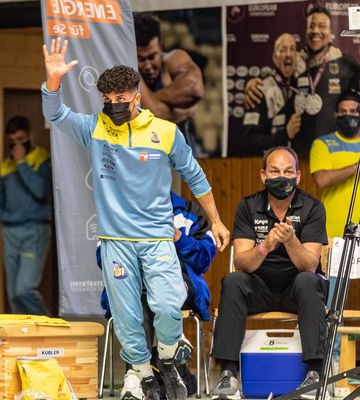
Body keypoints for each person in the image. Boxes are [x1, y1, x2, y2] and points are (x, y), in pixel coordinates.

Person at [41, 37, 229, 400]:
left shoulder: (166, 132)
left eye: (121, 98)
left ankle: (170, 355)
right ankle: (141, 374)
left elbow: (195, 177)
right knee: (127, 316)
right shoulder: (94, 127)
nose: (113, 105)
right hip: (116, 241)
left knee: (168, 305)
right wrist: (53, 80)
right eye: (107, 99)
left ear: (137, 97)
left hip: (158, 238)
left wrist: (217, 222)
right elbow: (56, 114)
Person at [211, 147, 329, 400]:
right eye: (274, 171)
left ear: (298, 176)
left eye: (288, 171)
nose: (282, 177)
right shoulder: (248, 206)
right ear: (263, 175)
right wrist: (265, 246)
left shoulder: (313, 207)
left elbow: (310, 265)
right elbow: (241, 262)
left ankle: (315, 374)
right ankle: (228, 374)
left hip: (297, 290)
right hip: (259, 287)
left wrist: (290, 240)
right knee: (233, 281)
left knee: (309, 281)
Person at [97, 191, 217, 400]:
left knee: (162, 289)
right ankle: (142, 371)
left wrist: (177, 237)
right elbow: (103, 257)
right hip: (132, 285)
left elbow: (205, 258)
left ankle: (141, 370)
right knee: (138, 294)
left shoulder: (188, 212)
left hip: (180, 282)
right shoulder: (119, 209)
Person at [245, 6, 360, 154]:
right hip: (300, 153)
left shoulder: (346, 63)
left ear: (330, 32)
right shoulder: (296, 62)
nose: (316, 30)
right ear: (306, 31)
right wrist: (253, 82)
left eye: (322, 26)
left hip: (335, 151)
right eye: (311, 26)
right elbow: (275, 76)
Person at [0, 116, 51, 315]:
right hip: (10, 233)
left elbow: (40, 192)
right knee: (13, 296)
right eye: (12, 141)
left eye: (21, 139)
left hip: (34, 231)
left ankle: (50, 327)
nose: (17, 145)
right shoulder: (6, 165)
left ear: (30, 136)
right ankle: (23, 333)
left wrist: (22, 163)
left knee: (24, 290)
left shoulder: (42, 158)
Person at [134, 13, 204, 155]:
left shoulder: (173, 59)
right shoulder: (131, 72)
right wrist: (182, 112)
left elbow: (196, 88)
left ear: (161, 47)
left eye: (152, 57)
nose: (148, 66)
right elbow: (156, 115)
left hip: (182, 158)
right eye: (140, 59)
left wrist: (150, 101)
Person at [310, 90, 360, 239]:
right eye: (343, 112)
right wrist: (356, 167)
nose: (348, 115)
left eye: (353, 111)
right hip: (333, 230)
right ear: (335, 114)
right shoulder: (322, 144)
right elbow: (322, 180)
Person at [242, 33, 301, 155]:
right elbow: (249, 141)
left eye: (292, 49)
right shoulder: (259, 89)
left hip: (299, 162)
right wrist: (285, 134)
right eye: (283, 50)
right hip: (270, 161)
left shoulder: (303, 88)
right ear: (275, 58)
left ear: (297, 56)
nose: (288, 54)